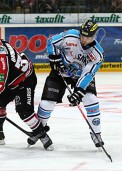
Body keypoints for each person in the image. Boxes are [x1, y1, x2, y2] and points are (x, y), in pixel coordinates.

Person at [0, 34, 53, 150]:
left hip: (25, 80)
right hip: (11, 80)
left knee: (25, 112)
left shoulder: (1, 60)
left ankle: (43, 136)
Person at [36, 20, 105, 148]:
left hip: (80, 76)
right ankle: (38, 131)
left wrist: (79, 91)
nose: (83, 39)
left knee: (91, 99)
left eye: (88, 37)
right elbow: (51, 41)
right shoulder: (71, 35)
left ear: (94, 36)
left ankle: (96, 134)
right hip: (60, 72)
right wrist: (54, 57)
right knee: (46, 103)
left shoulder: (97, 54)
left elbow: (88, 74)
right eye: (82, 35)